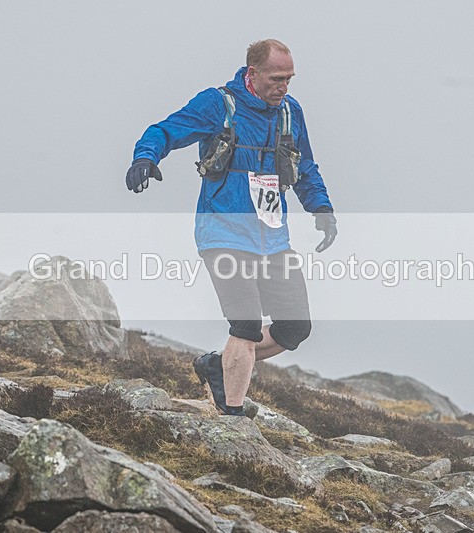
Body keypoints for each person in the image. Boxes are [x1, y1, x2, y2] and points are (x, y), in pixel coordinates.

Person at [125, 39, 337, 416]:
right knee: (246, 324)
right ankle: (233, 416)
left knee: (294, 328)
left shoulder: (290, 112)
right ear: (252, 74)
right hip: (222, 232)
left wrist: (321, 207)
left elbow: (304, 167)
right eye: (276, 78)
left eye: (289, 78)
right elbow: (165, 130)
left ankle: (216, 367)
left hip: (272, 236)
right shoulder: (218, 104)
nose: (283, 86)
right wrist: (144, 158)